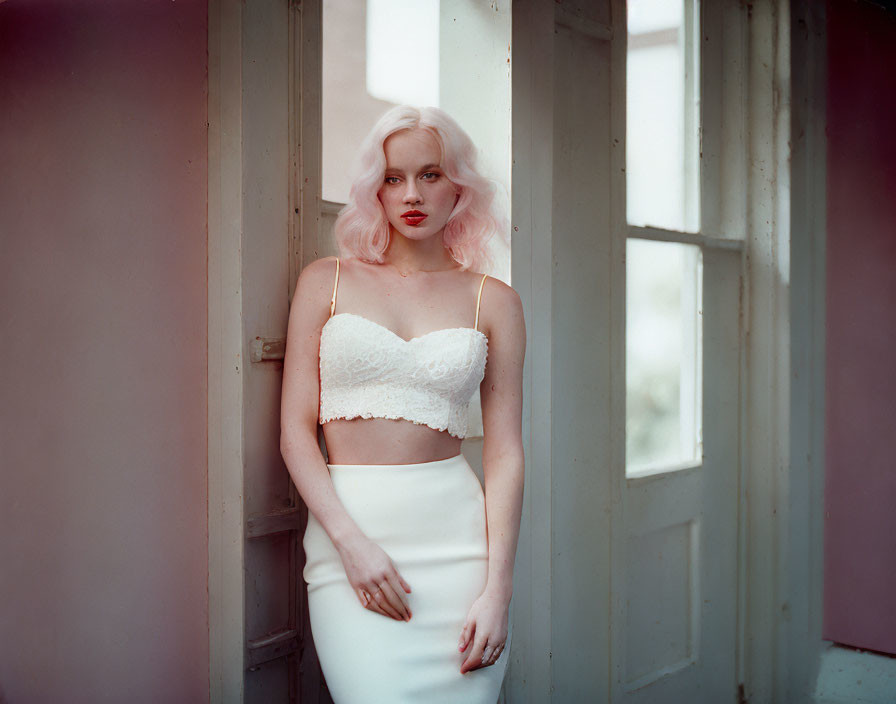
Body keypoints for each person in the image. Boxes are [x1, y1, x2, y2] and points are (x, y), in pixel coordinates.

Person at [280, 104, 526, 703]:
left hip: (459, 548)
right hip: (351, 542)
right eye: (393, 178)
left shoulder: (493, 301)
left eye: (431, 175)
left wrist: (498, 590)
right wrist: (349, 542)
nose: (411, 193)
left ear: (460, 186)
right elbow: (294, 431)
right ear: (375, 190)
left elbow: (506, 454)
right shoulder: (325, 280)